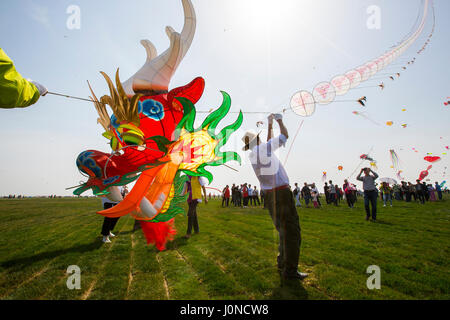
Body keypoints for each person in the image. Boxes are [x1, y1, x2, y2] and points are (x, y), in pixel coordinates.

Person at [243, 113, 307, 281]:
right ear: (257, 140)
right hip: (282, 195)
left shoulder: (254, 154)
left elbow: (268, 142)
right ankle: (290, 270)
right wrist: (279, 120)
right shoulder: (263, 149)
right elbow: (285, 136)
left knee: (282, 231)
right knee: (292, 233)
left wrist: (270, 125)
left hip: (270, 196)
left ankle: (282, 263)